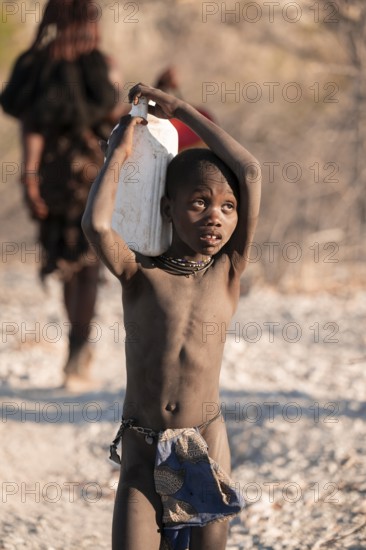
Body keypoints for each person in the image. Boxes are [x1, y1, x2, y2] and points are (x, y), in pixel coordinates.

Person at [82, 83, 261, 549]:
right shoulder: (138, 273)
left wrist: (181, 110)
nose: (216, 218)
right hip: (143, 451)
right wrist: (119, 154)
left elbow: (251, 170)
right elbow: (96, 224)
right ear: (169, 208)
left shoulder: (228, 271)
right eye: (199, 203)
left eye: (227, 207)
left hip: (204, 447)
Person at [0, 0, 126, 389]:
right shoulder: (97, 66)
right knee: (85, 266)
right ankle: (78, 350)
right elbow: (113, 116)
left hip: (52, 179)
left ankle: (76, 350)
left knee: (70, 265)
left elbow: (31, 129)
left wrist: (30, 177)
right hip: (90, 177)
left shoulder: (34, 66)